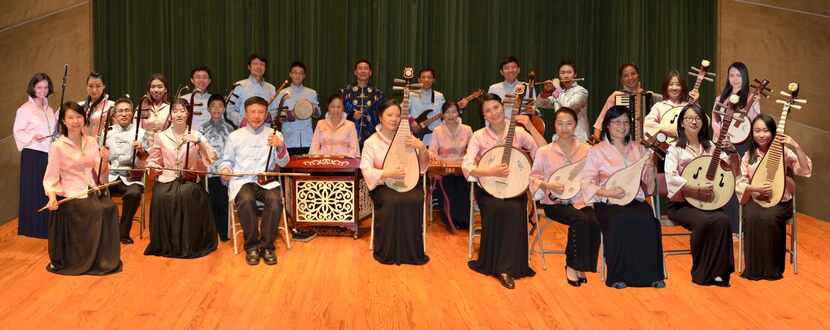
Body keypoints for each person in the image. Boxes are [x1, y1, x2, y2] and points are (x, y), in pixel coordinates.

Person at [582, 105, 664, 289]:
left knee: (650, 222)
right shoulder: (596, 151)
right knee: (620, 220)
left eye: (626, 122)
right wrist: (607, 192)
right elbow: (586, 182)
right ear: (608, 126)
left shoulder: (639, 149)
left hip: (635, 199)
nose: (622, 126)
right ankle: (618, 276)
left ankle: (651, 276)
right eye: (617, 122)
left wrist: (651, 167)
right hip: (608, 202)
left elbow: (648, 187)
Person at [462, 94, 539, 289]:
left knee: (514, 209)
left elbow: (541, 151)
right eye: (487, 110)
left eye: (496, 107)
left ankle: (514, 265)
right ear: (483, 115)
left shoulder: (518, 132)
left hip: (514, 188)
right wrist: (490, 171)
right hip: (488, 188)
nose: (493, 113)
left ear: (503, 107)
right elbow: (467, 165)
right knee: (496, 208)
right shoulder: (478, 136)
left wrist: (530, 126)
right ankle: (497, 265)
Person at [664, 104, 738, 286]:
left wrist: (733, 153)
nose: (694, 121)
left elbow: (727, 170)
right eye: (689, 118)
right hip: (683, 204)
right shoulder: (674, 149)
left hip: (708, 202)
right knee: (704, 222)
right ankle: (701, 272)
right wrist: (694, 190)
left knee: (723, 221)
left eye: (697, 118)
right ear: (682, 123)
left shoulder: (711, 146)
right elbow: (671, 178)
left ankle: (720, 273)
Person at [43, 101, 121, 275]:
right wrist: (52, 197)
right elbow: (51, 176)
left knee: (109, 208)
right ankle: (86, 259)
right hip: (72, 193)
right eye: (71, 117)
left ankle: (103, 259)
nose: (76, 121)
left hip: (92, 189)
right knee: (97, 211)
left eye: (79, 116)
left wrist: (105, 160)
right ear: (63, 121)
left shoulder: (91, 141)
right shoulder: (57, 146)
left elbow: (100, 175)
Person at [737, 114, 812, 280]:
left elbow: (804, 170)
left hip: (780, 200)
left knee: (770, 217)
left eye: (765, 130)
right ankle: (753, 269)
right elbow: (741, 181)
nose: (761, 135)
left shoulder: (782, 151)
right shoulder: (749, 155)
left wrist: (796, 146)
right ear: (752, 133)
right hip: (755, 198)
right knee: (752, 215)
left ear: (772, 132)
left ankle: (773, 270)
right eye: (757, 131)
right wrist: (754, 188)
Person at [529, 107, 599, 287]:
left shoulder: (587, 150)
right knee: (580, 220)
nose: (564, 128)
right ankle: (572, 265)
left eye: (569, 123)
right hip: (554, 202)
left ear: (575, 125)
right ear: (554, 125)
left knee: (593, 220)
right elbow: (533, 177)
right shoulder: (544, 151)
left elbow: (595, 176)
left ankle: (581, 265)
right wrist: (548, 185)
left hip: (580, 200)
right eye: (560, 123)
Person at [219, 96, 291, 266]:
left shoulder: (275, 134)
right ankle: (251, 246)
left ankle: (267, 246)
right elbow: (227, 161)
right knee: (246, 199)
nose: (257, 116)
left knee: (274, 201)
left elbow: (284, 162)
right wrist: (225, 170)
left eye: (260, 112)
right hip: (242, 181)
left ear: (266, 114)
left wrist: (280, 146)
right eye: (253, 112)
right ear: (246, 113)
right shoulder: (235, 136)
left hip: (266, 181)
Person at [144, 99, 218, 258]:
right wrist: (152, 166)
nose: (179, 114)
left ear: (188, 114)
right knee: (161, 196)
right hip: (167, 178)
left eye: (182, 110)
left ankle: (189, 244)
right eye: (175, 110)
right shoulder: (161, 136)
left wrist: (199, 143)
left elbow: (212, 158)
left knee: (186, 194)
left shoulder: (196, 134)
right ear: (170, 115)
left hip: (189, 179)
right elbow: (153, 160)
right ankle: (166, 244)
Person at [360, 100, 430, 265]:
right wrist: (386, 174)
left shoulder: (408, 138)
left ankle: (412, 252)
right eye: (389, 115)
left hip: (408, 182)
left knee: (415, 198)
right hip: (382, 185)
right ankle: (387, 251)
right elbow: (366, 169)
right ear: (380, 117)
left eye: (398, 115)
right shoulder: (372, 142)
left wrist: (422, 148)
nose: (394, 119)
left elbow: (421, 167)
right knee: (392, 200)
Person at [13, 72, 57, 239]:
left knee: (46, 190)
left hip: (48, 153)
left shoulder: (49, 108)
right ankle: (33, 228)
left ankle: (46, 228)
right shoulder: (24, 109)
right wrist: (32, 137)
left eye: (45, 87)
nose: (42, 91)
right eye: (39, 87)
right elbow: (17, 131)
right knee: (33, 191)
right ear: (33, 87)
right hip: (32, 153)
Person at [105, 97, 151, 244]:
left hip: (131, 177)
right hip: (110, 176)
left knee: (134, 193)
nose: (124, 114)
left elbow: (146, 159)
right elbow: (100, 158)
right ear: (115, 115)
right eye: (120, 111)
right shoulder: (107, 132)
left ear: (132, 114)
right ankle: (104, 231)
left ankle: (123, 232)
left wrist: (141, 150)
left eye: (127, 111)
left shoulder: (142, 133)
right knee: (96, 192)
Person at [428, 101, 472, 229]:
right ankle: (449, 220)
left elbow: (473, 150)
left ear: (458, 113)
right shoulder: (437, 130)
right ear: (443, 115)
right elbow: (432, 151)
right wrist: (438, 161)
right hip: (444, 167)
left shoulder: (467, 129)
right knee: (449, 185)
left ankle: (463, 219)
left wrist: (466, 160)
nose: (451, 115)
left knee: (462, 187)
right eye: (447, 112)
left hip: (462, 166)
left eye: (454, 111)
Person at [591, 64, 660, 143]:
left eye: (633, 74)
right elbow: (600, 122)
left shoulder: (650, 96)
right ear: (621, 79)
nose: (630, 78)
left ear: (638, 75)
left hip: (646, 143)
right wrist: (595, 142)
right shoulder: (616, 96)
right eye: (625, 76)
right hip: (623, 143)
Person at [200, 94, 235, 241]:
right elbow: (199, 151)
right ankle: (211, 232)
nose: (216, 109)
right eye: (213, 106)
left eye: (220, 105)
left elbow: (233, 152)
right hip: (209, 172)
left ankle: (224, 232)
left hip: (225, 172)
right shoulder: (202, 128)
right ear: (208, 108)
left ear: (224, 108)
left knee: (223, 201)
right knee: (210, 201)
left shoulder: (230, 128)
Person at [536, 60, 590, 141]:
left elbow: (568, 107)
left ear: (575, 74)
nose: (566, 76)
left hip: (578, 137)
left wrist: (557, 87)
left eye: (569, 72)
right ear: (559, 75)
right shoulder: (559, 92)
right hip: (560, 136)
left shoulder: (582, 91)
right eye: (562, 73)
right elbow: (540, 103)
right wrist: (545, 92)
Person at [278, 61, 320, 155]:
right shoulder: (282, 93)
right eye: (295, 73)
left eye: (300, 73)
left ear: (304, 76)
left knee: (307, 168)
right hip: (289, 140)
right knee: (288, 168)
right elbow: (279, 117)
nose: (297, 76)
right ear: (290, 74)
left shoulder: (312, 93)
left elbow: (318, 115)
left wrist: (312, 109)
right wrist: (293, 114)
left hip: (307, 140)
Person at [340, 59, 384, 147]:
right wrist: (351, 115)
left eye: (366, 68)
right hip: (348, 137)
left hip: (372, 138)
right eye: (360, 68)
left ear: (370, 72)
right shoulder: (344, 92)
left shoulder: (378, 94)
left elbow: (382, 116)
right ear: (355, 72)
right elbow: (338, 114)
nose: (363, 71)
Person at [226, 54, 278, 127]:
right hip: (245, 131)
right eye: (255, 64)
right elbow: (229, 110)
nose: (259, 67)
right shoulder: (240, 86)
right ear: (249, 67)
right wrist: (241, 121)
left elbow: (275, 110)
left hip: (265, 132)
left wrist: (270, 116)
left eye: (262, 64)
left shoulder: (271, 88)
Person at [408, 67, 446, 145]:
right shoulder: (412, 94)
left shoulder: (439, 96)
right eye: (423, 77)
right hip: (415, 138)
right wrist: (411, 121)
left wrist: (459, 108)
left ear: (433, 80)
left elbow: (447, 111)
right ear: (419, 80)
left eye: (429, 77)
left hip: (435, 138)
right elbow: (401, 111)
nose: (426, 80)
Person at [78, 72, 114, 138]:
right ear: (86, 86)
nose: (94, 90)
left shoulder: (111, 106)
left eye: (98, 86)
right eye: (90, 86)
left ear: (104, 86)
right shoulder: (80, 106)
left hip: (103, 146)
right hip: (83, 145)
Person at [140, 73, 171, 145]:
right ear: (149, 89)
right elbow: (136, 130)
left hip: (164, 148)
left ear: (166, 89)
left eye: (160, 87)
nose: (156, 90)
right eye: (153, 87)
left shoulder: (171, 108)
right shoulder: (141, 107)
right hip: (144, 149)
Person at [181, 65, 214, 130]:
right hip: (189, 136)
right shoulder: (183, 99)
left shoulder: (215, 99)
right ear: (192, 80)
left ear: (209, 81)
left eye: (205, 77)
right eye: (198, 77)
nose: (201, 80)